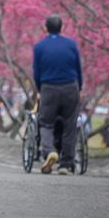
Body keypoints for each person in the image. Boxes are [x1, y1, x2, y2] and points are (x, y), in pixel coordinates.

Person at [32, 14, 83, 175]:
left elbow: (37, 72)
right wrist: (78, 88)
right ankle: (65, 164)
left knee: (46, 123)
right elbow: (78, 69)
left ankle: (49, 152)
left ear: (45, 28)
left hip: (49, 87)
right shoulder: (71, 44)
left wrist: (41, 89)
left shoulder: (39, 47)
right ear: (62, 28)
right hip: (70, 87)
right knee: (69, 125)